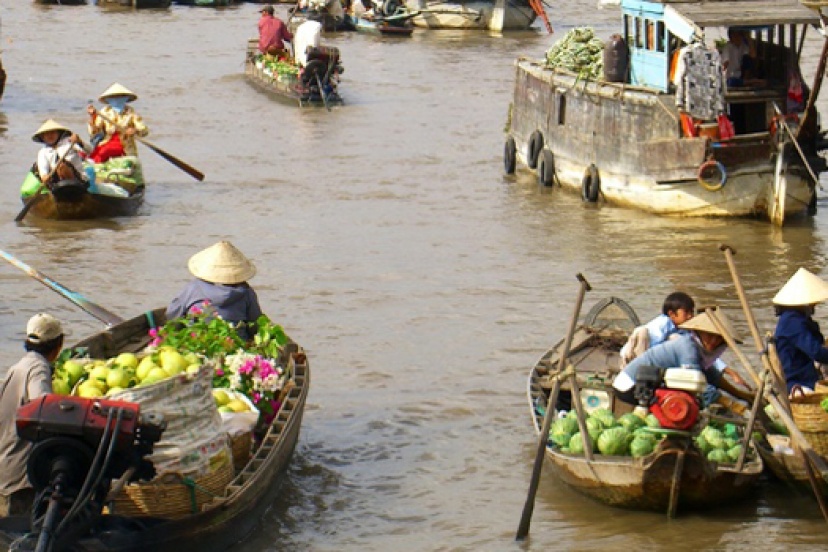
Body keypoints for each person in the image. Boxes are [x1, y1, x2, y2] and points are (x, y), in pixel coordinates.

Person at [612, 309, 751, 409]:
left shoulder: (700, 351)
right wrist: (729, 403)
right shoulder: (687, 347)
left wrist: (741, 395)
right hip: (632, 386)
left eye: (719, 338)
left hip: (651, 383)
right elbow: (698, 383)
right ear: (699, 332)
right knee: (684, 406)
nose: (713, 341)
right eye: (709, 335)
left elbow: (711, 376)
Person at [0, 314, 64, 517]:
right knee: (19, 537)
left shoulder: (16, 368)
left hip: (5, 466)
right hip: (20, 475)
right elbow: (43, 406)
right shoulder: (38, 368)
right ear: (58, 345)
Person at [167, 241, 263, 341]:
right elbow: (255, 325)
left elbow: (172, 315)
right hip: (236, 346)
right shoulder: (246, 292)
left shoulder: (193, 288)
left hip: (197, 342)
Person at [772, 268, 828, 395]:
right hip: (796, 381)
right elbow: (816, 352)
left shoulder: (797, 319)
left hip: (806, 374)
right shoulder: (792, 322)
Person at [87, 83, 149, 164]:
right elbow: (94, 132)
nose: (117, 99)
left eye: (121, 97)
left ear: (126, 98)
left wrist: (134, 130)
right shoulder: (104, 112)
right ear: (108, 99)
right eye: (113, 97)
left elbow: (144, 130)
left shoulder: (131, 113)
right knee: (99, 156)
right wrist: (93, 117)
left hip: (127, 147)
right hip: (107, 144)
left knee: (129, 164)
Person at [31, 119, 89, 188]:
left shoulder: (69, 142)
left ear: (59, 133)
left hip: (78, 179)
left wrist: (80, 142)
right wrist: (44, 177)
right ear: (42, 137)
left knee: (62, 167)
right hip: (56, 182)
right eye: (46, 134)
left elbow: (90, 151)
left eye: (52, 133)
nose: (50, 136)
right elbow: (43, 168)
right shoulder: (43, 152)